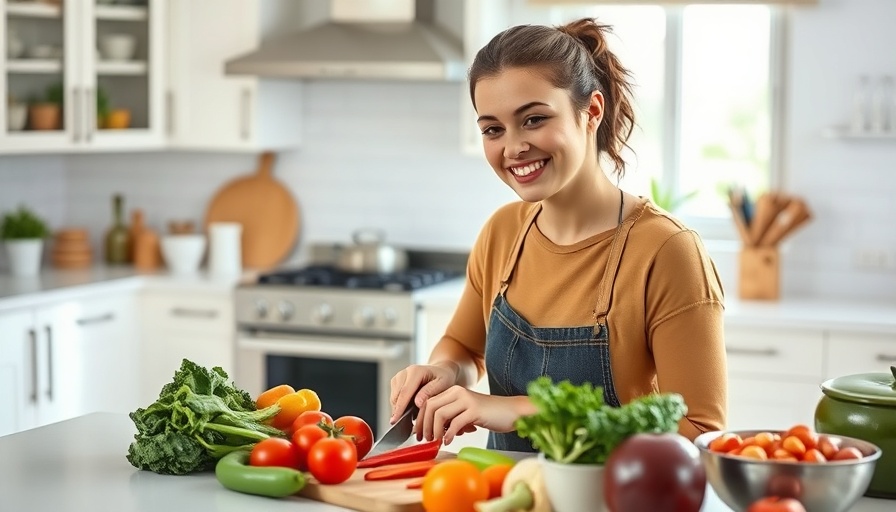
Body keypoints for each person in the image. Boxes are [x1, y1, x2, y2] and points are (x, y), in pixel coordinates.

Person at [389, 17, 727, 452]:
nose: (512, 148)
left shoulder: (666, 251)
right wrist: (444, 371)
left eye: (533, 119)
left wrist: (519, 409)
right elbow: (461, 346)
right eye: (493, 129)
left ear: (592, 112)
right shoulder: (503, 232)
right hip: (505, 495)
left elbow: (701, 431)